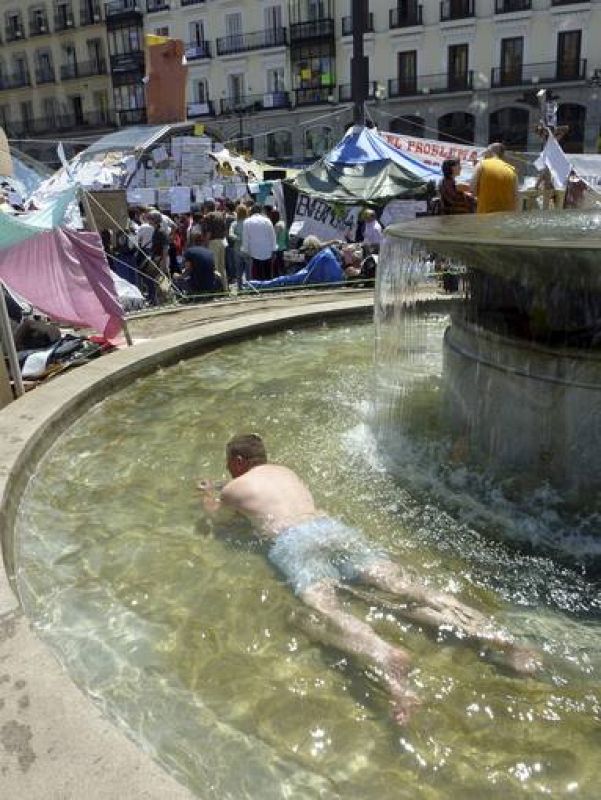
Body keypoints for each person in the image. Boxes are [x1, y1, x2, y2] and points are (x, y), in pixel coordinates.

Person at [199, 434, 539, 725]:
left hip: (294, 540)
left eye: (229, 463)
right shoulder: (287, 472)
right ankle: (506, 641)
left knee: (325, 608)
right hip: (330, 528)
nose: (228, 469)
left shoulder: (235, 487)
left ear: (239, 460)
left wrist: (207, 494)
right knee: (409, 588)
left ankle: (385, 656)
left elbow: (218, 519)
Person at [471, 142, 519, 214]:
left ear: (490, 151)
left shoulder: (481, 164)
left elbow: (473, 189)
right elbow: (516, 197)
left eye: (486, 151)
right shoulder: (512, 170)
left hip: (485, 215)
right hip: (506, 217)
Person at [241, 205, 276, 281]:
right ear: (260, 211)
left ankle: (259, 289)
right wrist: (274, 250)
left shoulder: (247, 222)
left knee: (257, 275)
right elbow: (272, 236)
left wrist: (245, 251)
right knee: (268, 274)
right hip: (267, 251)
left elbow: (245, 238)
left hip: (254, 252)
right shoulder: (267, 221)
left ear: (251, 212)